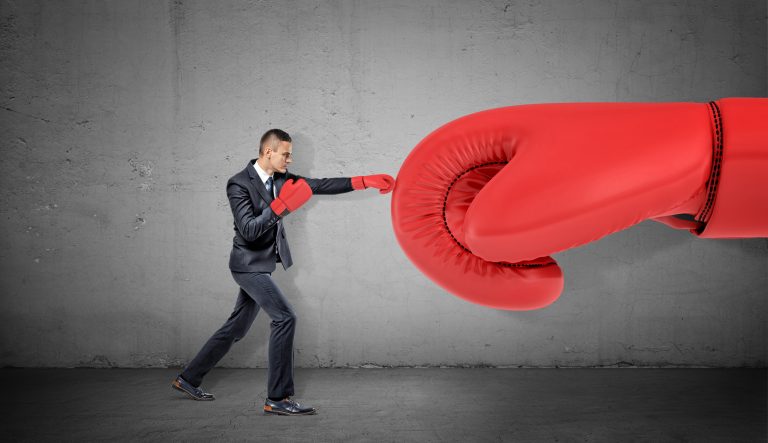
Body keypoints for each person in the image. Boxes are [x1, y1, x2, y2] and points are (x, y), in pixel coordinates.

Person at [172, 129, 394, 415]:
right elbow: (249, 231)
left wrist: (364, 181)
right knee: (285, 317)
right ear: (268, 152)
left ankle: (188, 378)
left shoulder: (281, 179)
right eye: (286, 154)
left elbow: (319, 184)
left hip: (262, 266)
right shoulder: (238, 184)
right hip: (246, 266)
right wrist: (281, 207)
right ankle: (278, 398)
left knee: (236, 327)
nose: (290, 160)